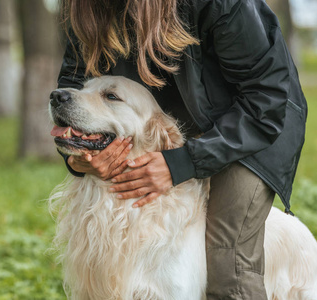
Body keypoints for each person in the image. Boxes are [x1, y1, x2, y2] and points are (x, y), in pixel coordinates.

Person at [55, 0, 308, 299]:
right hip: (153, 123)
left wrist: (181, 162)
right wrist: (80, 158)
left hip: (256, 124)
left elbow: (265, 98)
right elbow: (73, 86)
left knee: (229, 260)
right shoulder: (86, 7)